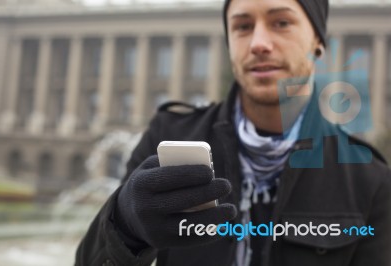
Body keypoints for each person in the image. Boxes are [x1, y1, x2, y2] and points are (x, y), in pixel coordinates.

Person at [75, 0, 391, 265]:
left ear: (318, 43)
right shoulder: (168, 137)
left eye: (281, 23)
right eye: (242, 26)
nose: (259, 43)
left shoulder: (368, 179)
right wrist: (124, 227)